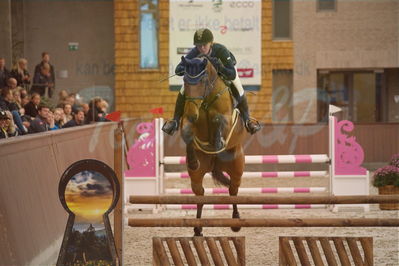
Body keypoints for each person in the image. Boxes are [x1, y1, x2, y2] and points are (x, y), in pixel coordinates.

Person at [162, 28, 260, 136]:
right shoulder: (194, 52)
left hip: (225, 70)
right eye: (199, 45)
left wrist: (220, 67)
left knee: (238, 86)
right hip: (206, 77)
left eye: (205, 44)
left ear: (211, 43)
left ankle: (248, 120)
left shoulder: (220, 50)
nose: (202, 48)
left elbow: (231, 74)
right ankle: (175, 121)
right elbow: (178, 69)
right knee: (183, 89)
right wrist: (183, 68)